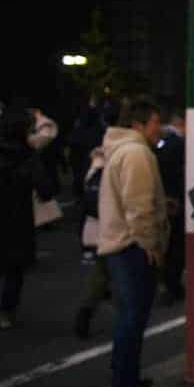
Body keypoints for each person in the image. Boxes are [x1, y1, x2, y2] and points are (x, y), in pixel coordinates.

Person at [97, 98, 168, 387]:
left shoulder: (120, 150)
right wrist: (150, 242)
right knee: (133, 314)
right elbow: (138, 205)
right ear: (138, 125)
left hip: (119, 241)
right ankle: (125, 379)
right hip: (131, 245)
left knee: (130, 313)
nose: (159, 129)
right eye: (155, 122)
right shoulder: (137, 153)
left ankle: (124, 374)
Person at [0, 106, 58, 329]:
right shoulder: (27, 156)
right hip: (18, 217)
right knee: (14, 269)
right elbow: (46, 189)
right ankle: (6, 310)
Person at [73, 145, 110, 339]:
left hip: (94, 227)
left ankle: (86, 311)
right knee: (113, 273)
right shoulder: (118, 159)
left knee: (101, 272)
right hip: (112, 228)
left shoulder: (96, 161)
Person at [154, 109, 185, 304]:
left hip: (162, 197)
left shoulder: (160, 143)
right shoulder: (179, 144)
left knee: (166, 244)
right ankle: (172, 285)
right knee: (175, 247)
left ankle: (166, 284)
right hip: (174, 200)